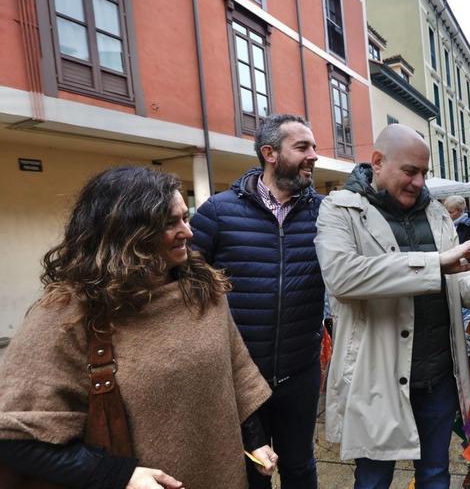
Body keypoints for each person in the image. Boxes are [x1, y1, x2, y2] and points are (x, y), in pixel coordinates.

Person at [0, 166, 276, 489]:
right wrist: (119, 475)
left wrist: (255, 440)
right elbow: (14, 436)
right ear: (126, 233)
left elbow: (236, 374)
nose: (188, 232)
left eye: (185, 218)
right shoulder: (68, 314)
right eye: (170, 223)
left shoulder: (202, 289)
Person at [315, 124, 470, 489]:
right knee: (374, 479)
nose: (418, 181)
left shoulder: (437, 213)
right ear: (377, 161)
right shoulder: (339, 208)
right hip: (378, 378)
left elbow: (455, 283)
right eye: (410, 171)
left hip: (438, 375)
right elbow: (343, 277)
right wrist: (437, 262)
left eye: (423, 172)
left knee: (436, 474)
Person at [190, 114, 325, 489]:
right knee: (252, 471)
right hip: (241, 376)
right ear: (269, 153)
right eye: (302, 147)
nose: (313, 155)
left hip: (301, 371)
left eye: (313, 147)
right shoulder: (218, 212)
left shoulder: (325, 213)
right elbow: (186, 283)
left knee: (300, 467)